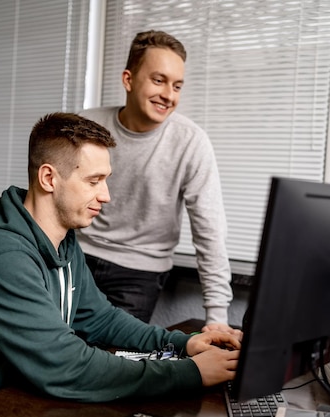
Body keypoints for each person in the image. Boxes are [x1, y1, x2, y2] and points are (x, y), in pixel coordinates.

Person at [0, 113, 240, 417]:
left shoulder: (62, 240)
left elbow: (101, 319)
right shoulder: (2, 257)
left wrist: (182, 344)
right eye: (93, 181)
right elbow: (66, 366)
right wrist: (191, 373)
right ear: (49, 178)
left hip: (13, 400)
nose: (105, 195)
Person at [78, 30, 234, 328]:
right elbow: (50, 201)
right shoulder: (86, 126)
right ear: (128, 79)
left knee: (114, 365)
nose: (169, 95)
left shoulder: (191, 142)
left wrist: (216, 317)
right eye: (158, 80)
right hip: (76, 257)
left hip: (139, 273)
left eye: (177, 86)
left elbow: (210, 230)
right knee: (53, 354)